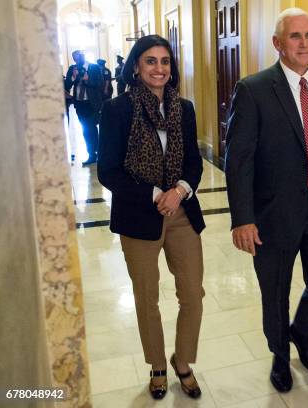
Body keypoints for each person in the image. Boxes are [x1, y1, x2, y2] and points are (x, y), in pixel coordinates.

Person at [225, 8, 308, 393]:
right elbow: (239, 159)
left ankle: (301, 332)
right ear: (278, 44)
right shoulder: (254, 89)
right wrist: (242, 218)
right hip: (273, 213)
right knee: (275, 292)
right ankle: (280, 356)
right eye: (295, 36)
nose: (304, 43)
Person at [97, 35, 205, 400]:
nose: (159, 68)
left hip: (181, 212)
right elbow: (108, 171)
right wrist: (155, 193)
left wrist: (180, 190)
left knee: (192, 293)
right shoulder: (117, 110)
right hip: (138, 215)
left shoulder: (184, 108)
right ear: (136, 67)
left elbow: (193, 159)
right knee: (146, 298)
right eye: (150, 61)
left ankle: (183, 361)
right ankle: (158, 366)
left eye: (165, 61)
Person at [65, 50, 103, 165]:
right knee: (86, 129)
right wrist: (73, 77)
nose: (77, 60)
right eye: (75, 58)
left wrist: (87, 80)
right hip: (79, 103)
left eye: (79, 57)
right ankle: (93, 153)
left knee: (90, 127)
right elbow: (66, 85)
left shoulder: (94, 67)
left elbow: (99, 84)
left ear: (83, 57)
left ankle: (94, 153)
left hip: (91, 103)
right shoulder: (73, 69)